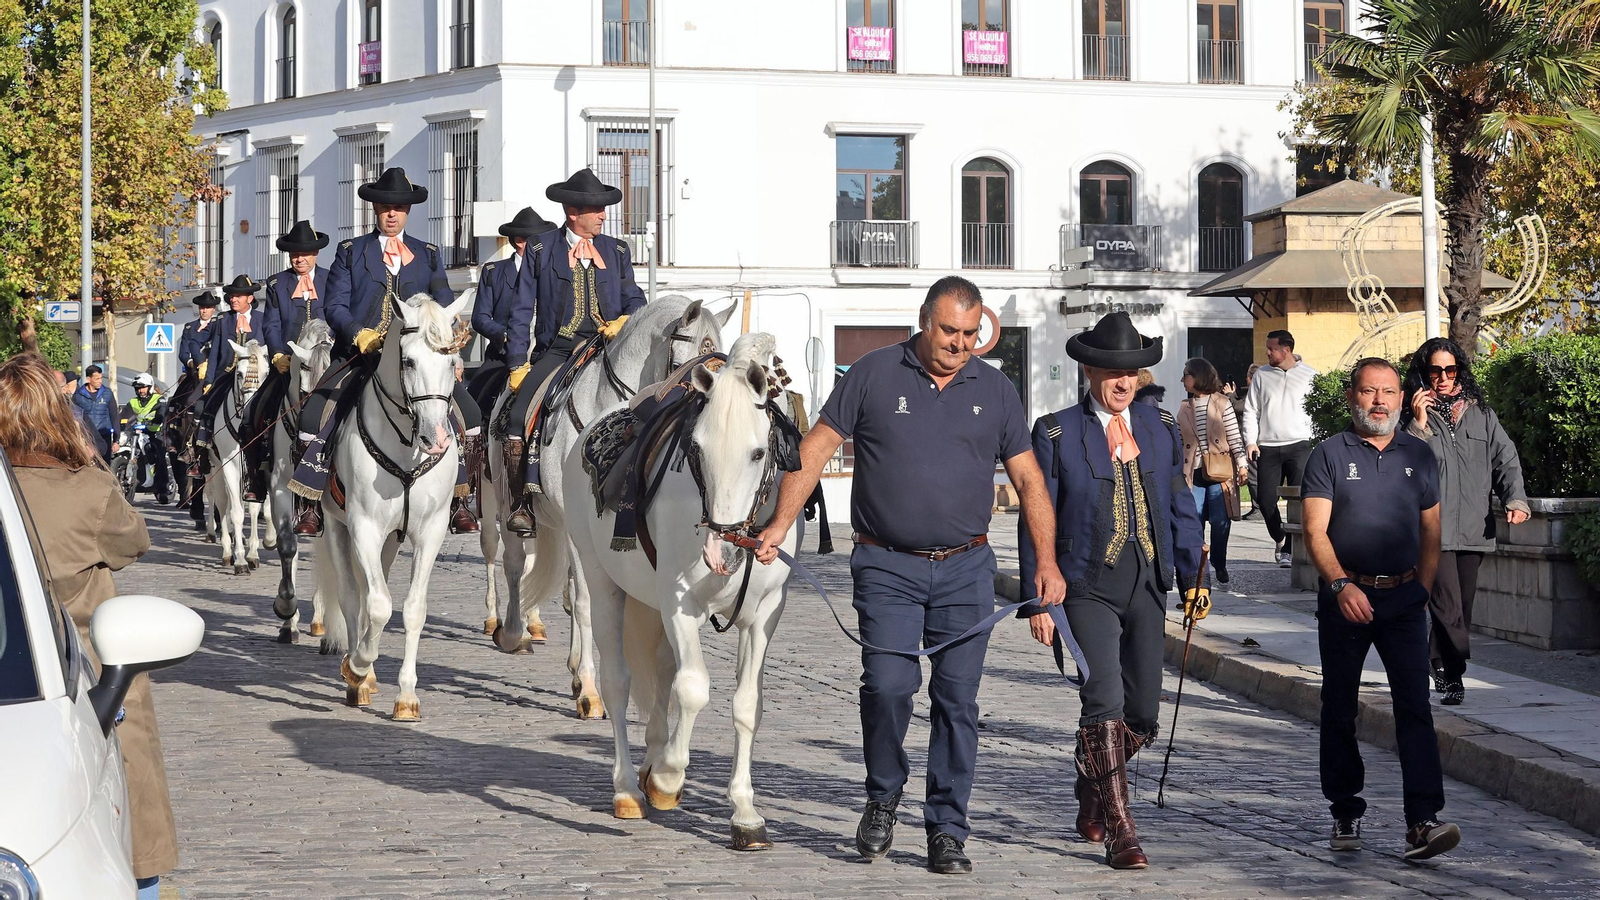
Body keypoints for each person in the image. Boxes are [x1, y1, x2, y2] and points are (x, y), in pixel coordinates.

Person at [754, 276, 1065, 875]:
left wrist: (1046, 564)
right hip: (886, 565)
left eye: (971, 334)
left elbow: (1029, 482)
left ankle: (948, 829)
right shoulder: (872, 374)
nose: (959, 344)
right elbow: (815, 450)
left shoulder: (995, 389)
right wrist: (777, 524)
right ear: (924, 321)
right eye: (949, 331)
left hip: (966, 569)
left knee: (957, 702)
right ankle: (882, 797)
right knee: (889, 686)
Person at [1017, 313, 1204, 870]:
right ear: (1089, 370)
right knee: (1104, 700)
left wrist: (1195, 575)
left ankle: (1091, 778)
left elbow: (1178, 503)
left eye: (1134, 372)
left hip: (1147, 582)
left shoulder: (1159, 428)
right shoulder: (1055, 431)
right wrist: (1038, 597)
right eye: (1113, 372)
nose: (1125, 382)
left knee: (1141, 715)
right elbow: (1037, 513)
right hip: (1084, 588)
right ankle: (1123, 828)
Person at [0, 354, 176, 899]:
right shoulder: (88, 490)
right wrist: (90, 461)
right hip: (90, 681)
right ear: (58, 414)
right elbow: (134, 542)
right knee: (134, 851)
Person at [1301, 357, 1460, 861]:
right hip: (1346, 600)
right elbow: (1314, 531)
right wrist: (1341, 585)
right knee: (1340, 706)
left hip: (1404, 599)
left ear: (1400, 397)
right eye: (1370, 392)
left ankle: (1424, 821)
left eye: (1388, 392)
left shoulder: (1420, 454)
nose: (1379, 402)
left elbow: (1432, 530)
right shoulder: (1327, 455)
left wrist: (1423, 588)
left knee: (1415, 708)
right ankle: (1345, 807)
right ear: (1353, 397)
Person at [290, 166, 482, 536]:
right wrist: (356, 332)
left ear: (408, 211)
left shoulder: (427, 254)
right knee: (314, 414)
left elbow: (442, 304)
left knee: (470, 414)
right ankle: (310, 502)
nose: (391, 214)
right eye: (384, 207)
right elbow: (336, 304)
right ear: (374, 210)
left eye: (398, 208)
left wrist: (451, 353)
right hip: (361, 354)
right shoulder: (351, 251)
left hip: (417, 358)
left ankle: (459, 498)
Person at [500, 169, 647, 536]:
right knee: (518, 418)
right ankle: (522, 503)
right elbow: (520, 310)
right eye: (595, 210)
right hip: (559, 349)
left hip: (607, 350)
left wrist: (627, 319)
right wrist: (518, 363)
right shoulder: (540, 248)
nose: (603, 215)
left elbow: (635, 297)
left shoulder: (616, 250)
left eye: (603, 209)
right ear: (572, 212)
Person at [1403, 337, 1529, 705]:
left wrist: (1515, 498)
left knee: (1463, 608)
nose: (1442, 378)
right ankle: (1455, 674)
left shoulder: (1481, 413)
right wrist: (1419, 426)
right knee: (1446, 605)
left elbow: (1505, 459)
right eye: (1434, 371)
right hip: (1432, 529)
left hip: (1475, 526)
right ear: (1423, 373)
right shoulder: (1411, 417)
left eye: (1450, 369)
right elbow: (1405, 465)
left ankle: (1438, 662)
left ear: (1459, 370)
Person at [243, 220, 329, 504]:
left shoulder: (333, 279)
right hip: (288, 365)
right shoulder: (277, 283)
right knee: (254, 410)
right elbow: (271, 323)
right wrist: (278, 353)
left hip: (327, 364)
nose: (299, 258)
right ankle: (257, 474)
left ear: (316, 254)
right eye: (294, 254)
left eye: (305, 253)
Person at [467, 206, 556, 415]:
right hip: (504, 352)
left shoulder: (551, 273)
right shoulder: (493, 273)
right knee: (475, 400)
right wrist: (502, 334)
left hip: (544, 351)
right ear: (520, 241)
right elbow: (479, 317)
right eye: (537, 241)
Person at [1243, 330, 1318, 567]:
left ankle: (1289, 550)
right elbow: (1251, 411)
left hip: (1300, 445)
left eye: (1271, 348)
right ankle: (1280, 536)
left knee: (1299, 500)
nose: (1267, 352)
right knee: (1265, 500)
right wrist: (1250, 441)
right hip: (1268, 446)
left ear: (1286, 350)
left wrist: (1316, 441)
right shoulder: (1262, 376)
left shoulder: (1310, 375)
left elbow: (1317, 411)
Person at [1178, 358, 1249, 585]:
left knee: (1220, 522)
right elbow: (1179, 440)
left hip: (1220, 471)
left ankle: (1219, 562)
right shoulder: (1184, 407)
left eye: (1186, 374)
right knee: (1194, 521)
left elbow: (1234, 435)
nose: (1182, 379)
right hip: (1194, 472)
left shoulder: (1222, 403)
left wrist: (1242, 464)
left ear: (1198, 376)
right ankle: (1201, 568)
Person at [193, 274, 264, 477]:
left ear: (250, 298)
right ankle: (201, 454)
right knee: (202, 407)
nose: (233, 299)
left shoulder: (262, 319)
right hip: (225, 375)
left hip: (253, 377)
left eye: (238, 296)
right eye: (232, 296)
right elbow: (215, 352)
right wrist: (209, 381)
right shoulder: (223, 320)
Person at [120, 373, 171, 502]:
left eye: (143, 387)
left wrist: (157, 419)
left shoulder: (159, 399)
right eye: (138, 388)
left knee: (159, 457)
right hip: (137, 433)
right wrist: (120, 422)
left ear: (150, 387)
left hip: (155, 433)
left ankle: (163, 489)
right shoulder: (133, 401)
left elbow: (161, 413)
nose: (140, 390)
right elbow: (124, 414)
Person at [74, 362, 118, 459]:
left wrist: (116, 440)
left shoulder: (107, 393)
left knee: (105, 468)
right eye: (97, 378)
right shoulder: (78, 395)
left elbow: (114, 415)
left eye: (101, 378)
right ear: (89, 379)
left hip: (104, 436)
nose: (100, 381)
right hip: (87, 437)